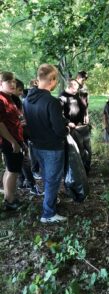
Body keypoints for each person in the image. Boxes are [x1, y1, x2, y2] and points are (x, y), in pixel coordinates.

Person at [23, 64, 69, 223]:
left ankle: (50, 202)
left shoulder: (27, 99)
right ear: (52, 80)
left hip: (35, 146)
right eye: (56, 79)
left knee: (45, 176)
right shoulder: (52, 101)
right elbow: (59, 130)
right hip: (52, 147)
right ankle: (48, 214)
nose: (56, 83)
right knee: (53, 179)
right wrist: (67, 128)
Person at [12, 79, 43, 196]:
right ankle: (32, 185)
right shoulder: (8, 101)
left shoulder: (17, 101)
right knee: (25, 160)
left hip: (21, 134)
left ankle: (21, 182)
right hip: (15, 137)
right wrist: (21, 123)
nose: (21, 93)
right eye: (19, 90)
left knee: (21, 160)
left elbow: (19, 117)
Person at [0, 71, 24, 210]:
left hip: (15, 138)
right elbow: (0, 124)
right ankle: (10, 202)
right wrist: (12, 142)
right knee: (13, 170)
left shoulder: (9, 98)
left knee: (10, 169)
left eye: (14, 81)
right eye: (9, 82)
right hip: (9, 141)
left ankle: (8, 197)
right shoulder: (1, 99)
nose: (13, 84)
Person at [60, 71, 92, 174]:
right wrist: (68, 123)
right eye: (76, 89)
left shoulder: (79, 95)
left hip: (83, 126)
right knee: (79, 150)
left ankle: (87, 169)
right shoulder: (62, 98)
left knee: (88, 149)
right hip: (73, 129)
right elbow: (59, 115)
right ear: (70, 87)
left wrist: (86, 116)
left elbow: (84, 106)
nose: (77, 91)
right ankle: (80, 172)